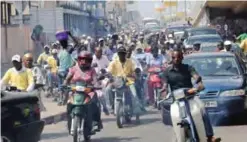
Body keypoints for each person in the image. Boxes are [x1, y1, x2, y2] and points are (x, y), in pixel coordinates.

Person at [161, 49, 219, 142]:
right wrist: (163, 92)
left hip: (190, 96)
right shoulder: (167, 71)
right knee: (173, 116)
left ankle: (209, 136)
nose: (176, 59)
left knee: (202, 109)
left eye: (178, 57)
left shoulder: (188, 68)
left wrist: (199, 84)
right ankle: (177, 136)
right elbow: (164, 85)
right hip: (176, 100)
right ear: (171, 59)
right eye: (174, 57)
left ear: (182, 58)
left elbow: (196, 77)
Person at [64, 51, 103, 134]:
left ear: (90, 60)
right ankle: (69, 122)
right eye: (82, 59)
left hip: (88, 91)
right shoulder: (73, 69)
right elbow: (67, 79)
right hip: (75, 91)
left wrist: (96, 85)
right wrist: (64, 84)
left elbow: (95, 80)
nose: (84, 62)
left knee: (94, 102)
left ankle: (95, 122)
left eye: (86, 60)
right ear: (79, 60)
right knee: (69, 104)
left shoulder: (92, 70)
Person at [106, 46, 142, 120]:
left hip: (129, 81)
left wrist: (135, 72)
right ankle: (111, 109)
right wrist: (110, 77)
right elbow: (109, 71)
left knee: (134, 96)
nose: (121, 55)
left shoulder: (130, 62)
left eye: (123, 53)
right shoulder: (114, 62)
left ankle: (136, 112)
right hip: (117, 81)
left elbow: (135, 69)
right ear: (118, 54)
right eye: (120, 53)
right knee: (108, 90)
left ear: (125, 54)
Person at [92, 47, 110, 115]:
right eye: (97, 52)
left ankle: (105, 107)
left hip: (104, 77)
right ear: (95, 52)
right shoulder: (92, 59)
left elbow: (109, 66)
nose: (99, 53)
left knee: (105, 92)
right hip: (95, 78)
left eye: (100, 52)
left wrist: (105, 70)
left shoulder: (105, 58)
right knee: (98, 94)